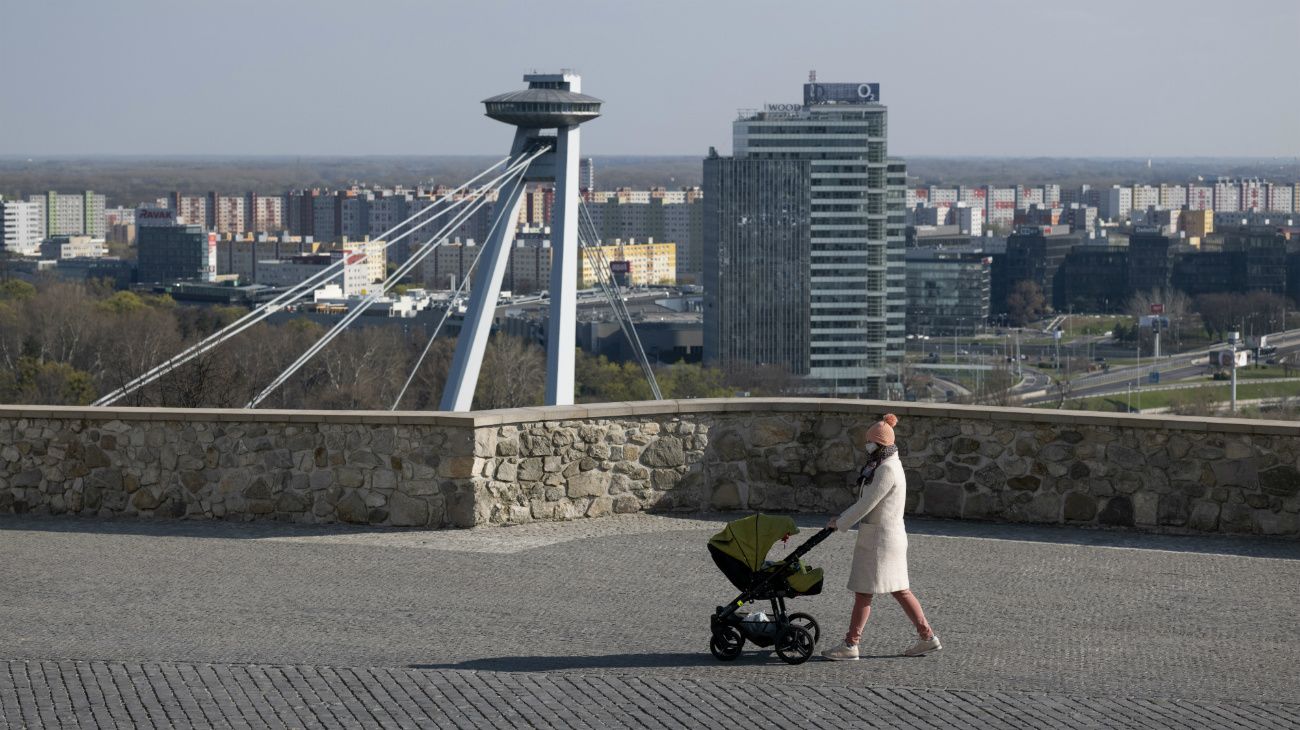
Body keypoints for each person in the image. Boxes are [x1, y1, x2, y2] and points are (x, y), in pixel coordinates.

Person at [821, 413, 941, 660]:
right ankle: (927, 637)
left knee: (864, 591)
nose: (867, 446)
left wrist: (840, 522)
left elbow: (867, 503)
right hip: (887, 537)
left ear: (880, 444)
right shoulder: (887, 465)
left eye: (870, 442)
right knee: (900, 589)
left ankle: (851, 644)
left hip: (879, 540)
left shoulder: (886, 469)